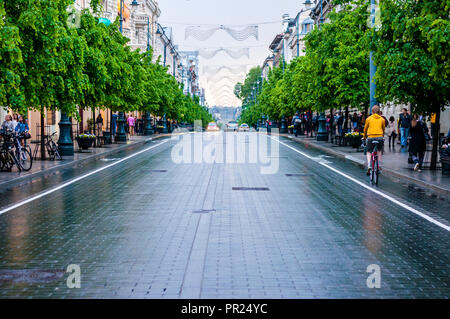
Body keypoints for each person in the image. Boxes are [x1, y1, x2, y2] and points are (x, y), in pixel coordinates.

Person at [363, 105, 386, 176]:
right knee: (379, 150)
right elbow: (383, 129)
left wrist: (364, 137)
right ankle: (378, 166)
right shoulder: (382, 119)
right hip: (379, 137)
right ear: (379, 112)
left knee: (368, 151)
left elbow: (365, 129)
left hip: (370, 137)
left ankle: (369, 165)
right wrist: (382, 136)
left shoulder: (368, 119)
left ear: (372, 112)